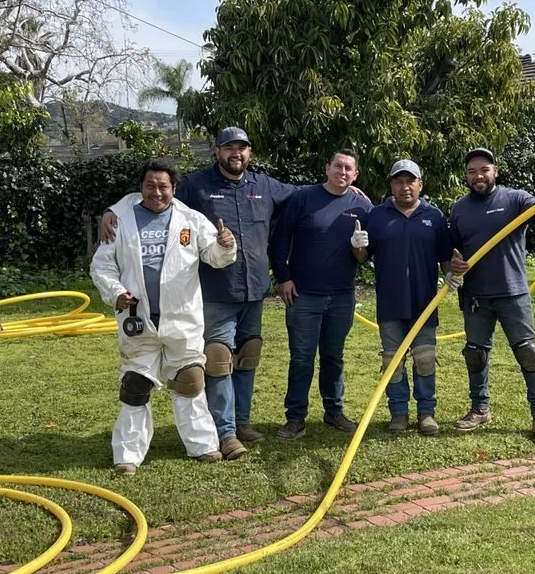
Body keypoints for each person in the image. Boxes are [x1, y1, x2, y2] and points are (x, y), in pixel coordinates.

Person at [100, 128, 369, 455]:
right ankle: (224, 432)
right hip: (216, 292)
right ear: (217, 151)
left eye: (241, 148)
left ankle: (241, 423)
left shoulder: (264, 185)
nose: (235, 154)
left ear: (249, 153)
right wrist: (115, 208)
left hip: (254, 290)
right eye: (229, 148)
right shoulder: (197, 185)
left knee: (247, 357)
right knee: (218, 360)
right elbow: (156, 194)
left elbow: (310, 193)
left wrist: (347, 189)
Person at [90, 160, 237, 474]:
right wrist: (115, 292)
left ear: (174, 188)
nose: (157, 192)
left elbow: (216, 256)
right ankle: (127, 456)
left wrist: (226, 246)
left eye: (163, 186)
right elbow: (102, 265)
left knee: (190, 381)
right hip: (138, 319)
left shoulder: (191, 220)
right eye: (150, 186)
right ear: (140, 187)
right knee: (135, 385)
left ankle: (203, 446)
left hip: (182, 319)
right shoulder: (120, 220)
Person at [447, 147, 535, 444]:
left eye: (484, 169)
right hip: (476, 296)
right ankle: (480, 408)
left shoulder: (515, 199)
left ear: (495, 171)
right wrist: (455, 262)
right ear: (466, 176)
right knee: (475, 354)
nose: (478, 176)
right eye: (472, 171)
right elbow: (455, 249)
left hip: (512, 293)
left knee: (528, 353)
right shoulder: (459, 208)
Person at [271, 149, 373, 439]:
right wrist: (283, 277)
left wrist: (359, 247)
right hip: (303, 295)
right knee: (302, 358)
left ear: (356, 175)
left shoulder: (363, 207)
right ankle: (295, 418)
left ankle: (334, 411)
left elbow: (363, 256)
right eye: (337, 166)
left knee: (334, 356)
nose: (342, 172)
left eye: (348, 169)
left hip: (342, 296)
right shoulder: (303, 198)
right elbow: (279, 240)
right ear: (327, 168)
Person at [350, 159, 452, 436]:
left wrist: (454, 276)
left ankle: (426, 413)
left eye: (410, 181)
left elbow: (446, 260)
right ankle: (398, 413)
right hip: (391, 303)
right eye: (398, 181)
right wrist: (357, 245)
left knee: (425, 358)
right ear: (391, 185)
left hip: (425, 302)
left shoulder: (435, 217)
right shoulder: (377, 216)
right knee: (392, 362)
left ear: (420, 184)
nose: (405, 187)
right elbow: (362, 258)